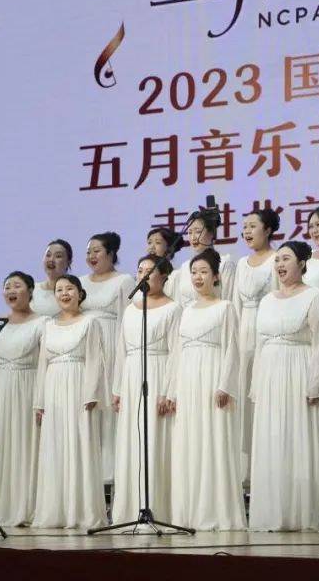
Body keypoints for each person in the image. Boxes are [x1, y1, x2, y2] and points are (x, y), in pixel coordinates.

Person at [250, 241, 319, 531]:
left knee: (297, 438)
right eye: (277, 260)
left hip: (299, 372)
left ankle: (300, 513)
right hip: (270, 375)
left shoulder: (314, 297)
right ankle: (271, 512)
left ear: (302, 263)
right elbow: (260, 344)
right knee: (272, 439)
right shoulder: (267, 300)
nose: (280, 265)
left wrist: (316, 384)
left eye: (286, 259)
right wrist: (257, 385)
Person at [166, 249, 245, 530]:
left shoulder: (225, 308)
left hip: (213, 381)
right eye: (194, 272)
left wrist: (225, 384)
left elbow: (232, 349)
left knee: (213, 442)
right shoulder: (185, 310)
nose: (198, 277)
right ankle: (188, 512)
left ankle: (216, 511)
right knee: (190, 444)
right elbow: (177, 353)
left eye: (203, 272)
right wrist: (172, 391)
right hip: (188, 383)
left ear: (216, 276)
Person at [31, 274, 107, 529]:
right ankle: (56, 511)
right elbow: (43, 364)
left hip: (79, 386)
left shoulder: (90, 322)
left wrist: (91, 393)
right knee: (55, 446)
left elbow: (95, 359)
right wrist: (39, 401)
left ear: (80, 293)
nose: (64, 293)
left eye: (70, 289)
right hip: (53, 388)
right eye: (59, 290)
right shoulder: (48, 326)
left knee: (79, 444)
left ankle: (82, 512)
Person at [112, 255, 182, 525]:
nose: (143, 275)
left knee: (155, 439)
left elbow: (176, 351)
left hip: (158, 371)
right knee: (133, 440)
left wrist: (168, 390)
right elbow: (122, 350)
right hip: (132, 375)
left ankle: (158, 507)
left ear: (163, 276)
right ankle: (131, 507)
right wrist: (118, 388)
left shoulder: (173, 309)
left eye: (149, 271)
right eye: (139, 270)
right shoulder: (131, 309)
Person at [0, 271, 44, 527]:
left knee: (27, 445)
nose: (11, 291)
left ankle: (27, 507)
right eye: (7, 286)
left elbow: (45, 364)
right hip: (0, 391)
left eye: (17, 286)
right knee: (1, 445)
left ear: (30, 291)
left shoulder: (42, 323)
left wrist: (42, 399)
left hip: (28, 389)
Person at [80, 232, 134, 483]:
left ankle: (112, 475)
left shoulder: (124, 281)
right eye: (88, 251)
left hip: (111, 347)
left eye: (97, 251)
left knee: (110, 407)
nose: (91, 256)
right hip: (85, 350)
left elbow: (128, 319)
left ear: (111, 254)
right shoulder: (80, 282)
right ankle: (88, 473)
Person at [231, 208, 279, 477]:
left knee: (262, 394)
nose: (247, 231)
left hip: (266, 330)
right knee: (243, 394)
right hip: (243, 333)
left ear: (268, 230)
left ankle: (265, 464)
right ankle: (244, 469)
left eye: (253, 226)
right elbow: (236, 305)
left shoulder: (277, 259)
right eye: (245, 227)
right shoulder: (241, 264)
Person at [166, 210, 235, 307]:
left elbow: (228, 301)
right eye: (190, 232)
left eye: (198, 232)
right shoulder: (185, 267)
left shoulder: (224, 263)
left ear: (211, 233)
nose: (193, 237)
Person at [31, 239, 73, 316]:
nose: (51, 259)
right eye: (48, 255)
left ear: (68, 262)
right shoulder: (32, 289)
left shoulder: (74, 292)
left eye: (58, 256)